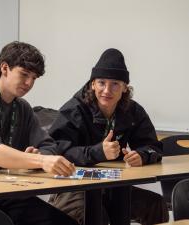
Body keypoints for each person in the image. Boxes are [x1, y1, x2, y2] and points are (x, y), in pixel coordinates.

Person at [48, 48, 169, 225]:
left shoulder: (133, 110)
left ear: (125, 88)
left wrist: (142, 155)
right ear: (92, 84)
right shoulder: (73, 110)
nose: (107, 90)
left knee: (155, 204)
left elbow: (152, 146)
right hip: (73, 187)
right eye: (101, 83)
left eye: (115, 84)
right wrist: (97, 152)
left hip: (114, 185)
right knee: (95, 215)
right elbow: (56, 151)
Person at [0, 41, 78, 225]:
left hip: (7, 193)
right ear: (4, 68)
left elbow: (48, 146)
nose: (29, 83)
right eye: (24, 74)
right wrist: (40, 161)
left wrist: (34, 157)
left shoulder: (22, 108)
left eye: (34, 78)